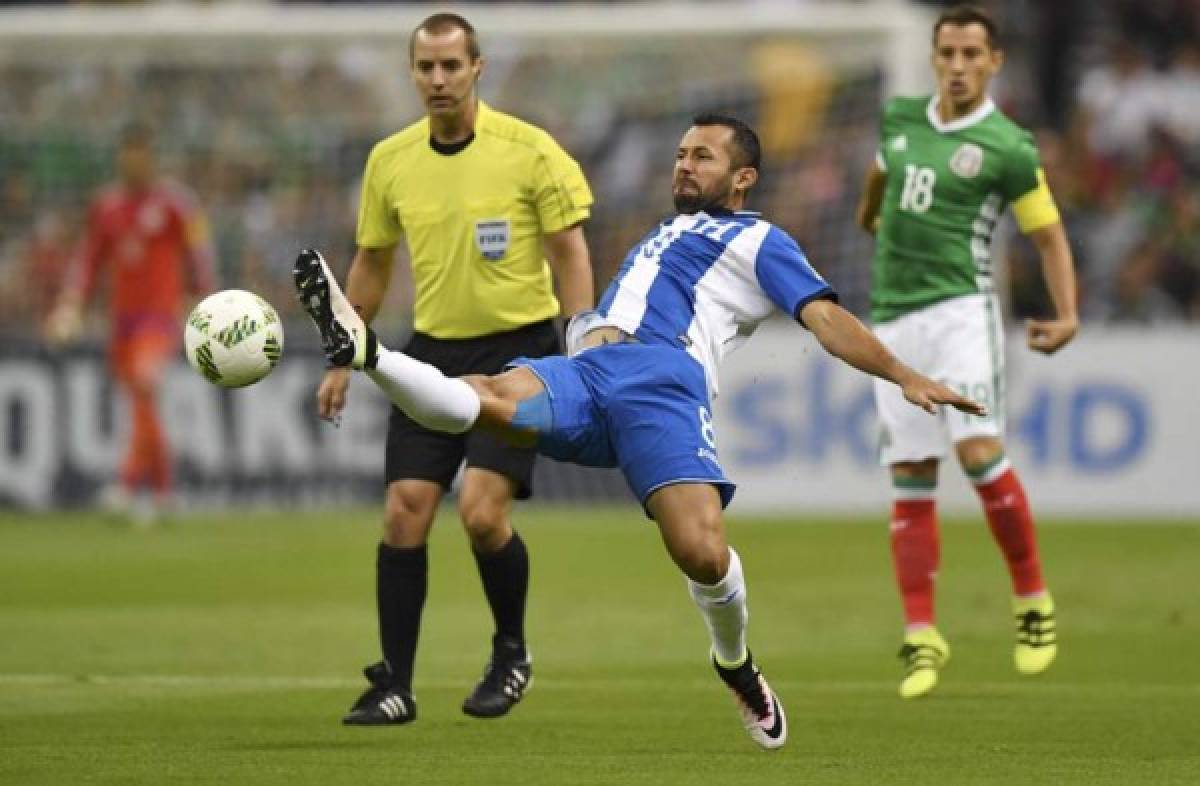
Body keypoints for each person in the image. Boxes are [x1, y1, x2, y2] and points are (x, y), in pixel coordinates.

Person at [294, 113, 984, 749]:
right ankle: (370, 352)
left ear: (743, 178)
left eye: (703, 157)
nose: (684, 165)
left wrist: (901, 373)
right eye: (681, 154)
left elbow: (825, 318)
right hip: (590, 374)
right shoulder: (665, 229)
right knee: (484, 396)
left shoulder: (758, 239)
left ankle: (735, 663)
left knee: (703, 554)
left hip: (663, 391)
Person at [316, 13, 595, 726]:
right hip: (432, 353)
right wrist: (344, 353)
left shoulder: (529, 151)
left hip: (521, 353)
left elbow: (570, 251)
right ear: (411, 73)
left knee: (480, 512)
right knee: (404, 510)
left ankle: (511, 654)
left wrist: (583, 346)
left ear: (478, 68)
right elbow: (373, 261)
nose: (437, 80)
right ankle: (396, 685)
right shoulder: (391, 160)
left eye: (450, 66)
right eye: (425, 68)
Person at [854, 4, 1078, 700]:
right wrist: (869, 215)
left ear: (994, 61)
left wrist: (1066, 313)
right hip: (892, 322)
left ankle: (1032, 601)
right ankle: (923, 635)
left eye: (970, 54)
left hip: (960, 312)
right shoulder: (899, 117)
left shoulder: (1009, 145)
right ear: (934, 56)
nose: (957, 66)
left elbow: (1047, 235)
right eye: (947, 52)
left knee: (977, 452)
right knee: (911, 472)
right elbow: (880, 181)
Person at [46, 123, 216, 523]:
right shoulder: (105, 207)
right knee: (142, 403)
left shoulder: (176, 204)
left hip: (159, 318)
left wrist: (206, 300)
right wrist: (71, 304)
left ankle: (125, 486)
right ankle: (164, 493)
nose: (133, 163)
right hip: (121, 321)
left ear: (151, 158)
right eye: (127, 155)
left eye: (139, 155)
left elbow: (199, 254)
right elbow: (88, 261)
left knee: (144, 383)